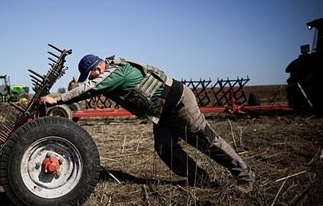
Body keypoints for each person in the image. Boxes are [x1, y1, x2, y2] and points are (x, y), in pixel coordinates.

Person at [41, 54, 255, 192]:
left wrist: (57, 99)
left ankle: (245, 177)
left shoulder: (115, 72)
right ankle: (199, 179)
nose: (92, 79)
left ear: (97, 68)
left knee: (206, 140)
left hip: (179, 103)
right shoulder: (110, 72)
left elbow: (90, 88)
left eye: (91, 75)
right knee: (164, 148)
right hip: (161, 112)